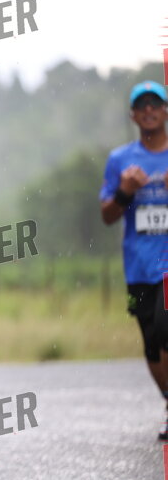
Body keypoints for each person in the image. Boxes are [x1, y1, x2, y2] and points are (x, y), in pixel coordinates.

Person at [100, 80, 168, 440]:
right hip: (138, 266)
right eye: (142, 105)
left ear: (165, 111)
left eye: (155, 103)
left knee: (166, 328)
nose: (149, 110)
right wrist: (125, 192)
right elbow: (107, 215)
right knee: (151, 342)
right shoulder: (120, 160)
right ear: (133, 115)